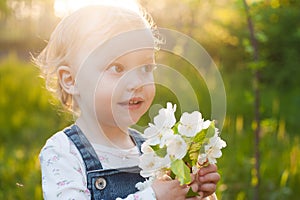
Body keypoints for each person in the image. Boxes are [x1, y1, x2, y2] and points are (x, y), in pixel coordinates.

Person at [36, 2, 220, 200]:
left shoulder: (153, 151)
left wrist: (196, 191)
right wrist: (154, 197)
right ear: (71, 80)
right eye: (117, 68)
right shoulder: (63, 153)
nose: (136, 82)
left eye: (145, 68)